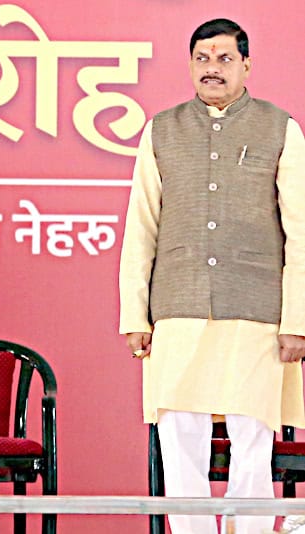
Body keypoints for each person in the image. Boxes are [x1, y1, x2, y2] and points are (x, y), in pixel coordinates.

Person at [119, 18, 305, 534]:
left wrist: (297, 320)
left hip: (257, 310)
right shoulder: (162, 129)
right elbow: (141, 226)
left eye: (225, 59)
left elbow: (301, 232)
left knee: (252, 441)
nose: (213, 69)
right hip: (177, 307)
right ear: (190, 65)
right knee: (180, 441)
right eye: (202, 58)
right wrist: (135, 315)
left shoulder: (280, 128)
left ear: (247, 65)